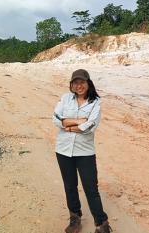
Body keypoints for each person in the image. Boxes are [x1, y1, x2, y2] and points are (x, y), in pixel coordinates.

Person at [53, 69, 112, 233]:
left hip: (85, 152)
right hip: (63, 150)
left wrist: (69, 125)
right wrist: (78, 121)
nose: (79, 86)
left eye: (82, 82)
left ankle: (102, 224)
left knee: (91, 188)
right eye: (75, 82)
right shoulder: (65, 98)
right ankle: (75, 218)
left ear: (88, 83)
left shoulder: (96, 103)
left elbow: (89, 126)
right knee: (70, 186)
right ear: (71, 84)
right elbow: (56, 119)